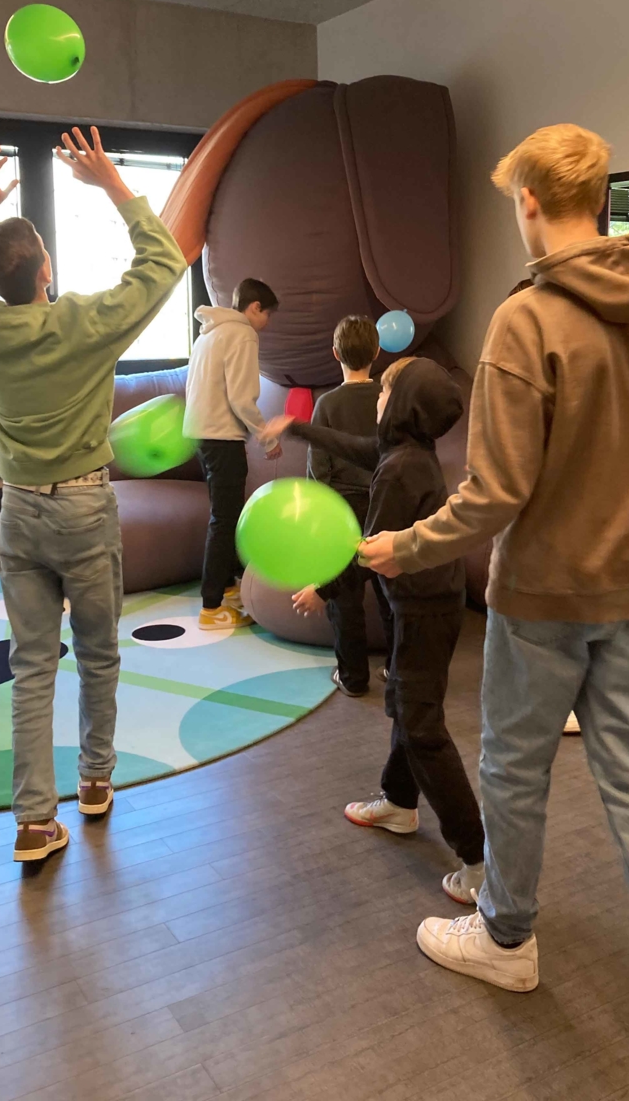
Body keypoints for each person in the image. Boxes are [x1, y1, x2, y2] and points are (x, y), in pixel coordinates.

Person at [361, 124, 629, 1100]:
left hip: (544, 595)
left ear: (532, 202)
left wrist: (399, 545)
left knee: (511, 765)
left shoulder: (525, 316)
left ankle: (505, 935)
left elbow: (495, 494)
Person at [0, 130, 187, 864]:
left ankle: (34, 823)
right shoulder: (83, 322)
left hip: (18, 511)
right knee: (99, 654)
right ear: (45, 268)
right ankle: (97, 780)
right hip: (83, 507)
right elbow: (164, 262)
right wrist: (110, 181)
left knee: (32, 665)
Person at [265, 357, 486, 905]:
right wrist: (294, 427)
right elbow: (355, 446)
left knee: (423, 727)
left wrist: (324, 587)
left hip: (427, 610)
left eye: (386, 390)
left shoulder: (401, 470)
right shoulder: (400, 453)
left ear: (404, 403)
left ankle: (480, 860)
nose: (379, 398)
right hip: (424, 604)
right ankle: (398, 802)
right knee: (408, 707)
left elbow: (367, 552)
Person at [294, 314, 391, 697]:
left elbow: (318, 470)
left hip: (343, 510)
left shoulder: (327, 405)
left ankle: (352, 677)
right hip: (386, 504)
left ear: (335, 353)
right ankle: (396, 669)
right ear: (377, 352)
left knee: (344, 597)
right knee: (389, 587)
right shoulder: (388, 396)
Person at [185, 278, 280, 631]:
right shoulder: (242, 333)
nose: (266, 323)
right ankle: (211, 607)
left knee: (223, 515)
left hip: (201, 434)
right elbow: (242, 397)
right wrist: (267, 437)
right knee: (225, 521)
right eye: (267, 314)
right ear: (255, 307)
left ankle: (225, 587)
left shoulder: (209, 333)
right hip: (222, 437)